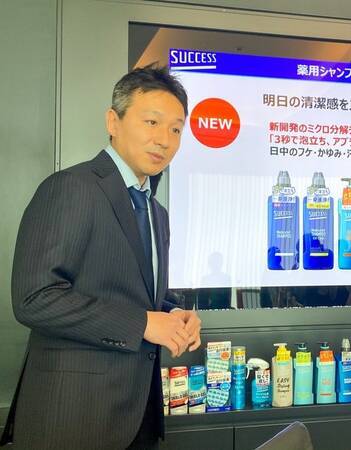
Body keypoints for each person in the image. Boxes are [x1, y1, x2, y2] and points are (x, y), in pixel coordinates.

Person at [0, 65, 201, 449]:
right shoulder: (72, 188)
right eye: (151, 122)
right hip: (74, 417)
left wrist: (173, 313)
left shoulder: (156, 212)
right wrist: (144, 323)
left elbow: (131, 293)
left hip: (138, 415)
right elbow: (34, 298)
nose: (164, 140)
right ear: (113, 121)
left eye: (176, 129)